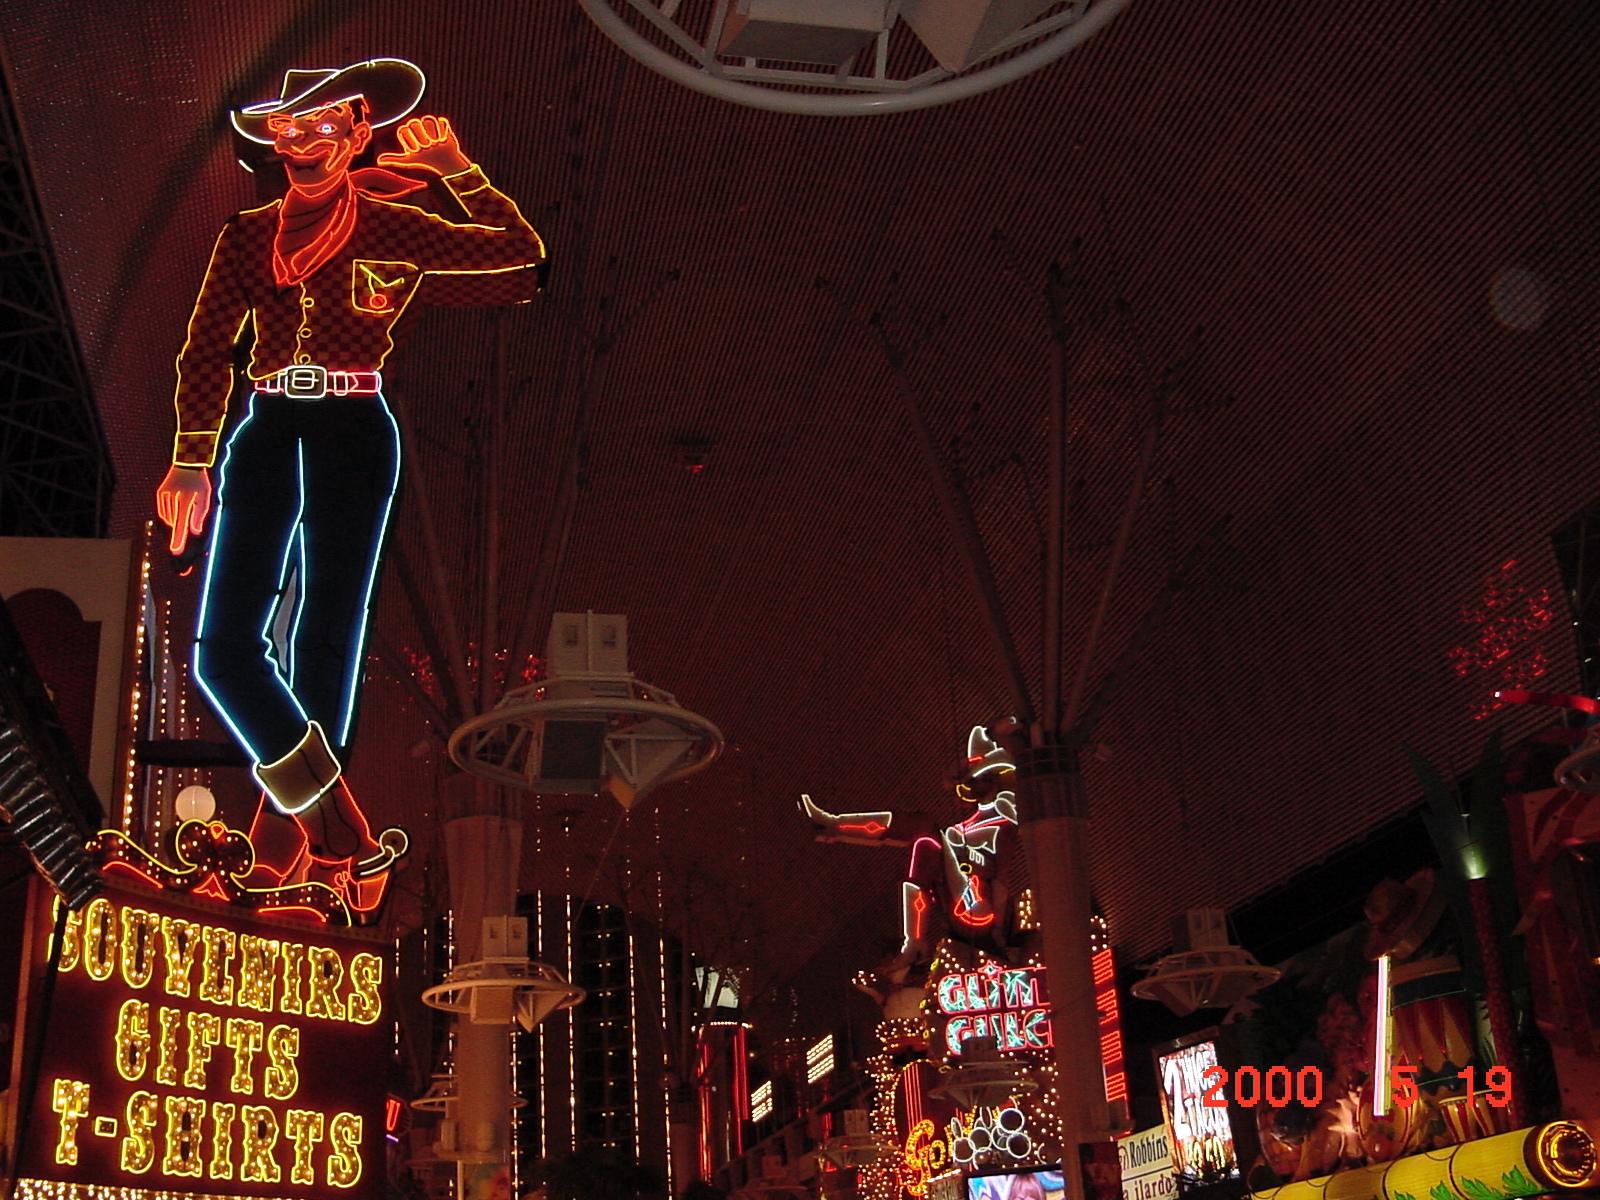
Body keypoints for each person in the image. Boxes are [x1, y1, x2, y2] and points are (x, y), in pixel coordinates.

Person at [155, 58, 546, 918]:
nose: (304, 141)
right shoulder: (244, 237)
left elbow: (522, 259)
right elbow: (207, 347)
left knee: (328, 633)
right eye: (289, 127)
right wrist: (191, 457)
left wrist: (456, 173)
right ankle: (341, 831)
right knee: (223, 650)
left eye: (325, 123)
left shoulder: (394, 225)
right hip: (264, 428)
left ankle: (286, 842)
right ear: (273, 142)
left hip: (356, 428)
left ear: (358, 133)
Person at [798, 720, 1022, 989]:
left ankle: (835, 825)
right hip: (956, 904)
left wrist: (998, 928)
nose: (972, 785)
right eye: (971, 779)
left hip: (979, 911)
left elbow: (1002, 875)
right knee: (924, 843)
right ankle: (914, 943)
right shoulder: (959, 829)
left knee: (925, 829)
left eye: (980, 778)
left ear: (994, 780)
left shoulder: (1005, 821)